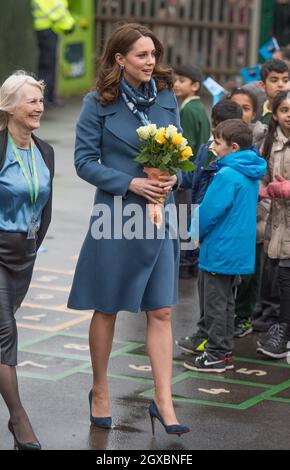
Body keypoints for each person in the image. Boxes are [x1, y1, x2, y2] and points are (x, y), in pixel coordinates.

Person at [67, 23, 189, 436]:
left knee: (163, 309)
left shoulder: (168, 97)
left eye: (153, 54)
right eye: (141, 55)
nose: (150, 61)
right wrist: (129, 182)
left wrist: (173, 179)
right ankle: (100, 391)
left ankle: (164, 400)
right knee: (107, 306)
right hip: (116, 216)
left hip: (160, 214)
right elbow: (84, 162)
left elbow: (180, 153)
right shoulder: (96, 103)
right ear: (120, 59)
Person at [183, 119, 266, 372]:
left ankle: (217, 354)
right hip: (236, 249)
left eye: (217, 143)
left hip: (220, 247)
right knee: (227, 302)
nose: (214, 147)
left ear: (233, 146)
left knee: (215, 303)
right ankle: (224, 350)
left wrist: (194, 233)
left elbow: (210, 211)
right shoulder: (249, 172)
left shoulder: (227, 174)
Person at [0, 71, 54, 449]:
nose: (39, 107)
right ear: (8, 107)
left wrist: (33, 246)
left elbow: (45, 207)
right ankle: (19, 420)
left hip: (26, 253)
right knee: (5, 335)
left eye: (40, 100)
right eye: (31, 100)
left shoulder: (45, 151)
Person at [175, 100, 243, 355]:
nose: (216, 144)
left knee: (221, 294)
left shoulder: (238, 162)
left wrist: (199, 227)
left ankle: (219, 347)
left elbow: (223, 203)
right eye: (216, 136)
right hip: (204, 229)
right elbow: (192, 177)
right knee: (206, 289)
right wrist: (174, 178)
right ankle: (205, 334)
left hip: (222, 234)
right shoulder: (206, 149)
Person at [226, 88, 269, 338]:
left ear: (255, 113)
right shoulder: (220, 138)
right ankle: (227, 315)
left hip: (257, 216)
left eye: (246, 108)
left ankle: (244, 316)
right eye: (235, 107)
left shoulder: (261, 137)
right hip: (229, 219)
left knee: (251, 271)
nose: (240, 113)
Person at [257, 90, 290, 359]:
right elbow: (263, 178)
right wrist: (265, 190)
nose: (289, 115)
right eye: (284, 110)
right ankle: (282, 326)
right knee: (280, 274)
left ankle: (284, 328)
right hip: (278, 221)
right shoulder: (268, 142)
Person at [173, 65, 210, 278]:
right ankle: (191, 257)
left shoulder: (187, 110)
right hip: (200, 170)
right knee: (190, 213)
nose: (177, 84)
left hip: (189, 172)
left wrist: (178, 176)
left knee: (183, 214)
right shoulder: (200, 108)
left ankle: (186, 261)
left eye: (182, 81)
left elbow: (185, 147)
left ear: (195, 86)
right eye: (176, 80)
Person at [31, 0, 75, 106]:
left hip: (49, 29)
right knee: (47, 64)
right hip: (47, 29)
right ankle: (43, 98)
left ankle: (48, 96)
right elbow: (56, 10)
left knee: (50, 64)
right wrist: (69, 24)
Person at [259, 59, 289, 125]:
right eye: (274, 80)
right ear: (263, 86)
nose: (281, 85)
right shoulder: (254, 112)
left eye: (285, 80)